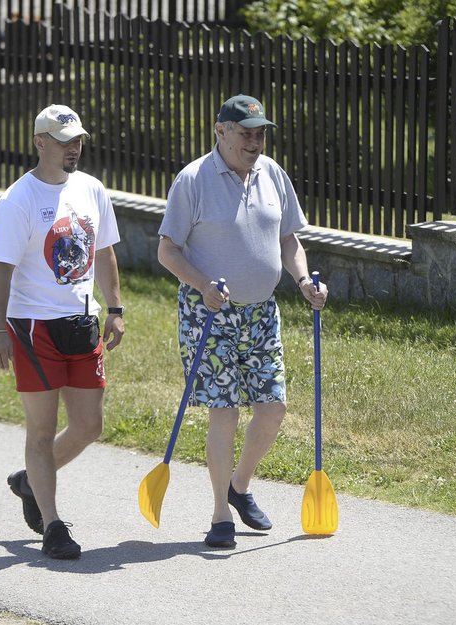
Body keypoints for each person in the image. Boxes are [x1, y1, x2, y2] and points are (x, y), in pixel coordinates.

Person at [157, 94, 329, 548]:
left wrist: (303, 281)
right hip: (209, 313)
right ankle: (219, 515)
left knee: (273, 410)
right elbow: (167, 250)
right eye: (245, 133)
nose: (254, 141)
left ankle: (239, 486)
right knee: (225, 414)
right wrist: (202, 285)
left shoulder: (272, 174)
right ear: (221, 131)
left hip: (262, 313)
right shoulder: (193, 180)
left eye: (260, 133)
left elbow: (288, 239)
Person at [0, 104, 125, 560]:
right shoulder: (18, 200)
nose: (74, 148)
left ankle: (29, 482)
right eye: (64, 141)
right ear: (39, 142)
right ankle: (53, 526)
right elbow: (0, 270)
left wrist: (115, 307)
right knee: (41, 431)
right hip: (32, 326)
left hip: (82, 323)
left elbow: (103, 252)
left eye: (78, 140)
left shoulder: (91, 189)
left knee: (89, 425)